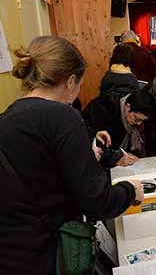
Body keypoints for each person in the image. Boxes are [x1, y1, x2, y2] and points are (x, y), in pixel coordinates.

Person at [0, 36, 144, 274]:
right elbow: (98, 202)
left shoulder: (11, 115)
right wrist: (130, 190)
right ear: (70, 81)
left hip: (13, 251)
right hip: (48, 253)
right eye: (79, 86)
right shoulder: (64, 117)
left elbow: (39, 169)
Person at [83, 90, 153, 162]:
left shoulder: (133, 120)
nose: (138, 123)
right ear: (128, 107)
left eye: (142, 121)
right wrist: (117, 159)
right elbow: (97, 147)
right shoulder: (104, 109)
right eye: (136, 118)